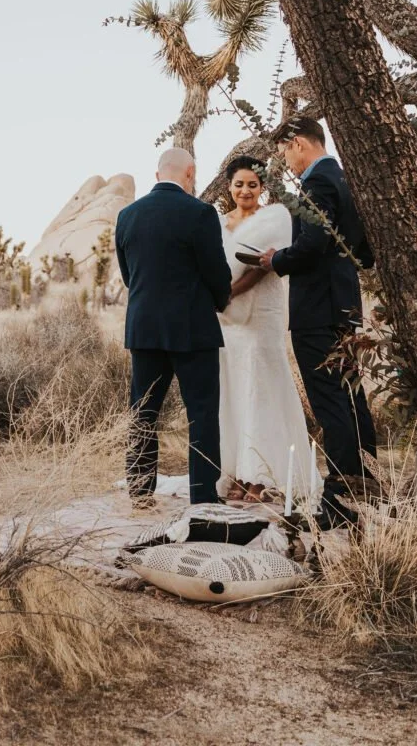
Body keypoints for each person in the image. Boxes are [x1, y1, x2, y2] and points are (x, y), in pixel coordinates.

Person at [259, 116, 377, 528]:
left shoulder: (317, 183)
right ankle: (365, 486)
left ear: (298, 143)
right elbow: (365, 253)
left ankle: (339, 502)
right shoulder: (345, 179)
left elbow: (311, 244)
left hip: (317, 308)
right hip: (343, 305)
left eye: (285, 153)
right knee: (351, 397)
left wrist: (276, 260)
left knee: (330, 402)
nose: (287, 163)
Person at [115, 147, 232, 508]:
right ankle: (203, 497)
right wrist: (219, 301)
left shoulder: (127, 216)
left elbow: (129, 276)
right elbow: (217, 272)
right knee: (201, 413)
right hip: (192, 328)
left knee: (143, 411)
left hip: (144, 327)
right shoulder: (200, 213)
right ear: (190, 172)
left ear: (157, 175)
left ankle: (139, 490)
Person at [215, 156, 321, 505]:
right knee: (235, 390)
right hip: (228, 321)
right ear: (229, 187)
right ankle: (236, 471)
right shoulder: (220, 223)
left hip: (261, 313)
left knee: (261, 388)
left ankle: (262, 475)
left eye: (253, 184)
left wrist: (229, 292)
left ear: (262, 187)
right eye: (239, 184)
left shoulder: (275, 219)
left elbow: (264, 266)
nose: (245, 191)